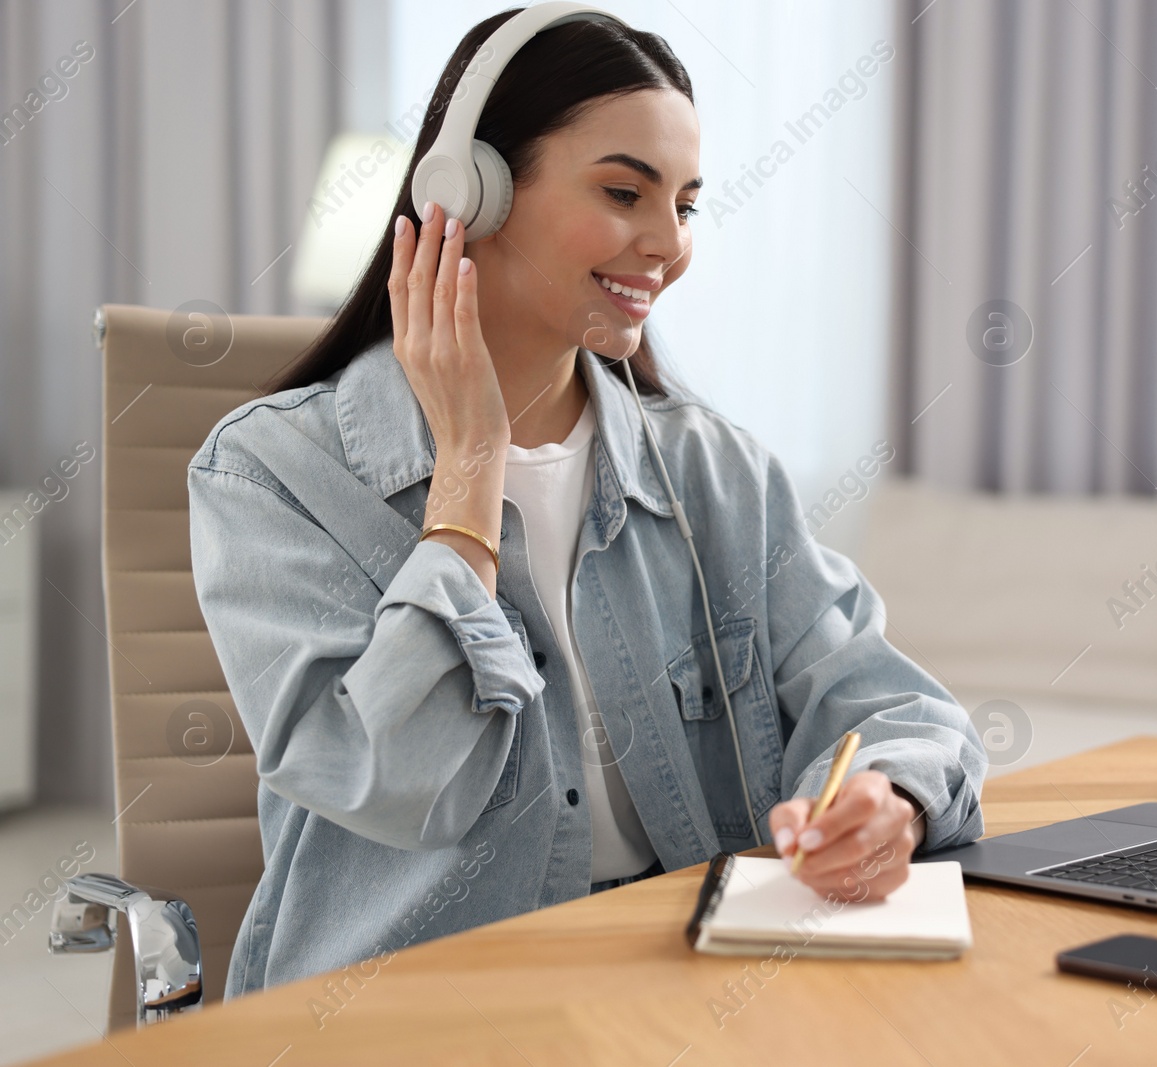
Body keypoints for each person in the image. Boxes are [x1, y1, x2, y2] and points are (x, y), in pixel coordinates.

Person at [189, 10, 985, 998]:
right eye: (622, 192)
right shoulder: (271, 473)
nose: (667, 244)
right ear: (469, 192)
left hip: (683, 988)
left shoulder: (713, 469)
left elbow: (888, 696)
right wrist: (470, 470)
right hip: (415, 1006)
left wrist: (889, 795)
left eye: (686, 205)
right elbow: (396, 779)